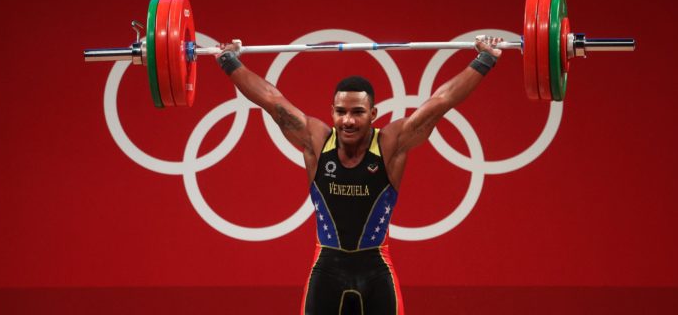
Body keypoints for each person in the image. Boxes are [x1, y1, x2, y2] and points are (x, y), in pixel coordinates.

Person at [215, 36, 503, 315]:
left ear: (373, 113)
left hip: (376, 272)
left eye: (357, 112)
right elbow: (270, 100)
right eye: (340, 112)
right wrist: (229, 62)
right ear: (332, 112)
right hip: (326, 270)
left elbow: (442, 101)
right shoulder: (316, 141)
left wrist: (485, 60)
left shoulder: (390, 144)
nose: (348, 120)